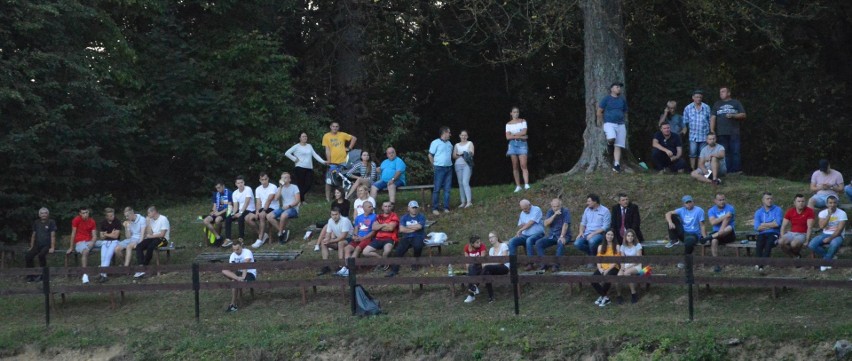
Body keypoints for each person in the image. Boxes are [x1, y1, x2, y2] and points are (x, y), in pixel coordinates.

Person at [710, 86, 746, 174]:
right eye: (720, 92)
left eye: (723, 91)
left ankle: (737, 170)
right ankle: (727, 171)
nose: (721, 93)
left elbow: (743, 115)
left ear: (728, 93)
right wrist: (712, 130)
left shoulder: (736, 103)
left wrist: (733, 115)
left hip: (734, 132)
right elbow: (713, 117)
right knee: (725, 152)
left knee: (735, 151)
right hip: (721, 132)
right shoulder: (717, 104)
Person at [386, 201, 426, 277]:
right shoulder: (404, 217)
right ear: (408, 208)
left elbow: (419, 227)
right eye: (412, 208)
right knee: (398, 251)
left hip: (418, 236)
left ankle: (415, 264)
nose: (414, 209)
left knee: (418, 246)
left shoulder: (421, 216)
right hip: (406, 237)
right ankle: (394, 270)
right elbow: (401, 229)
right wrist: (414, 228)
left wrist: (407, 227)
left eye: (415, 208)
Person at [664, 195, 707, 264]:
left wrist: (705, 237)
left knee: (689, 242)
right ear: (684, 204)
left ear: (693, 202)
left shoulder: (699, 210)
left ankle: (685, 260)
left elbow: (702, 225)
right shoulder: (681, 210)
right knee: (672, 216)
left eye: (690, 202)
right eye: (687, 203)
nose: (689, 204)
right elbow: (668, 213)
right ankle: (674, 239)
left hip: (694, 234)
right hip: (684, 233)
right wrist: (670, 222)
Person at [286, 132, 327, 203]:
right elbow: (287, 153)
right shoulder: (296, 146)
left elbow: (315, 155)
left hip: (309, 168)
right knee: (300, 185)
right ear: (299, 138)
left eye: (306, 136)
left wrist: (323, 161)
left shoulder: (309, 146)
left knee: (308, 184)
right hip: (299, 167)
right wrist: (294, 159)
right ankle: (302, 200)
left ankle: (297, 197)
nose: (305, 138)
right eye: (303, 136)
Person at [809, 195, 846, 271]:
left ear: (837, 203)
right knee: (812, 244)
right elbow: (822, 226)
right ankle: (830, 257)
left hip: (837, 235)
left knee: (834, 243)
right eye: (830, 203)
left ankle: (825, 262)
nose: (832, 205)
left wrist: (830, 238)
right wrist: (829, 215)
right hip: (825, 233)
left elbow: (839, 229)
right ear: (827, 204)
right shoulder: (823, 213)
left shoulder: (842, 213)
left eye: (834, 203)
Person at [597, 82, 628, 173]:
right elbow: (599, 111)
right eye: (617, 87)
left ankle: (617, 165)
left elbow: (625, 111)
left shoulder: (622, 100)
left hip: (621, 124)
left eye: (620, 87)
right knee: (611, 138)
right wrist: (601, 122)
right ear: (612, 89)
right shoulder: (606, 99)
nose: (619, 89)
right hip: (609, 123)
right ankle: (610, 145)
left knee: (618, 146)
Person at [533, 198, 571, 272]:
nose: (555, 208)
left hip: (564, 235)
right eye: (554, 206)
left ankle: (556, 265)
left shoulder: (566, 211)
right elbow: (546, 223)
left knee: (561, 243)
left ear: (561, 205)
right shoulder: (550, 211)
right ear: (551, 206)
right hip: (552, 236)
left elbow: (565, 225)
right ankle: (544, 263)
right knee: (538, 243)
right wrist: (554, 215)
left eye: (557, 206)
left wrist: (562, 236)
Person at [322, 122, 357, 202]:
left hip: (343, 162)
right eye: (333, 126)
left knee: (342, 179)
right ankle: (328, 199)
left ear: (338, 128)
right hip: (332, 162)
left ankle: (343, 198)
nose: (335, 128)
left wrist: (349, 148)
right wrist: (329, 161)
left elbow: (354, 138)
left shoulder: (342, 134)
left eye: (336, 126)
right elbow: (327, 149)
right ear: (330, 127)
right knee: (328, 180)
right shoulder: (326, 136)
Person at [506, 199, 545, 270]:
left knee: (529, 240)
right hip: (524, 235)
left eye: (526, 209)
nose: (524, 210)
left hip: (537, 233)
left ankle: (531, 263)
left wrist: (522, 228)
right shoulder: (522, 213)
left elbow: (531, 222)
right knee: (512, 241)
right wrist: (522, 226)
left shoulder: (536, 209)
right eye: (522, 209)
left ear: (530, 205)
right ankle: (513, 263)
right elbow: (520, 224)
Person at [341, 201, 377, 276]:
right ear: (364, 208)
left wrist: (363, 238)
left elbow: (373, 232)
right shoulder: (358, 218)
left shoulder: (375, 217)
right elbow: (356, 228)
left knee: (357, 248)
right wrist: (354, 235)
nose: (372, 208)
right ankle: (347, 267)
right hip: (358, 238)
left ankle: (350, 269)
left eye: (372, 206)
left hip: (368, 238)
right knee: (347, 248)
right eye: (369, 207)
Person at [133, 206, 170, 279]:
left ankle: (144, 266)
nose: (148, 215)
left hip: (163, 240)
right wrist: (148, 223)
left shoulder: (163, 219)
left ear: (154, 212)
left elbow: (162, 234)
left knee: (151, 247)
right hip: (154, 237)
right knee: (139, 246)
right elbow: (150, 233)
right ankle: (141, 266)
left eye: (149, 213)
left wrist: (150, 236)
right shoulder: (151, 220)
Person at [317, 207, 353, 276]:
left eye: (336, 214)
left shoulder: (345, 220)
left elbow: (344, 236)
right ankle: (326, 265)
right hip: (338, 238)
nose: (334, 216)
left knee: (340, 243)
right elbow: (328, 233)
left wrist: (330, 241)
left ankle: (341, 266)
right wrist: (327, 240)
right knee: (323, 242)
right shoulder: (330, 221)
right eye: (333, 215)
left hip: (349, 239)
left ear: (340, 214)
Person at [222, 239, 256, 312]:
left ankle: (233, 304)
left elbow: (245, 265)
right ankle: (238, 279)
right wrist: (237, 276)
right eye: (234, 250)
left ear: (241, 247)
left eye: (237, 249)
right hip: (238, 274)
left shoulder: (247, 252)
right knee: (224, 270)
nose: (235, 251)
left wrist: (243, 277)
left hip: (249, 273)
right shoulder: (232, 255)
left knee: (234, 281)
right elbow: (231, 268)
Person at [65, 207, 97, 284]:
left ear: (88, 212)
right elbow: (73, 234)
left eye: (86, 212)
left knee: (106, 244)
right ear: (80, 214)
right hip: (80, 242)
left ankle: (103, 273)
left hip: (90, 241)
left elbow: (95, 235)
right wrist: (71, 247)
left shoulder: (92, 221)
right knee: (85, 251)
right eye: (83, 213)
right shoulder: (76, 220)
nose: (85, 214)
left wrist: (92, 242)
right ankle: (85, 275)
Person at [574, 194, 611, 261]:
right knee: (577, 243)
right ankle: (592, 255)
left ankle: (592, 259)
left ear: (595, 201)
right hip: (586, 233)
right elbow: (583, 223)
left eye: (589, 201)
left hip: (599, 234)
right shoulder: (587, 210)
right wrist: (581, 232)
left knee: (592, 241)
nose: (587, 203)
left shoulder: (605, 211)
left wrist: (593, 234)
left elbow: (606, 227)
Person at [705, 193, 736, 271]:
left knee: (729, 227)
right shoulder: (711, 210)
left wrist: (721, 230)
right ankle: (716, 264)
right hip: (717, 235)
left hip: (728, 234)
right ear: (715, 201)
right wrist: (724, 216)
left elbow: (727, 219)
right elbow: (713, 222)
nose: (722, 202)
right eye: (720, 200)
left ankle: (713, 236)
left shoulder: (730, 208)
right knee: (714, 241)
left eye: (723, 199)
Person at [363, 201, 399, 269]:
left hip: (389, 238)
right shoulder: (379, 216)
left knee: (387, 251)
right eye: (385, 206)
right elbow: (374, 227)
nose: (387, 208)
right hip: (378, 239)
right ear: (382, 207)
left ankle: (383, 264)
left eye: (389, 206)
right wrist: (384, 225)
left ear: (391, 207)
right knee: (365, 252)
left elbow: (391, 228)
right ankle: (382, 261)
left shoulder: (394, 216)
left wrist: (379, 226)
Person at [267, 172, 300, 244]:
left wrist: (289, 206)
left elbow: (297, 200)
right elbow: (276, 198)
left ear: (289, 179)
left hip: (293, 208)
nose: (284, 179)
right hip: (284, 208)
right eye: (282, 178)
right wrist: (281, 187)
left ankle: (280, 235)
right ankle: (282, 232)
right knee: (269, 216)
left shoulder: (294, 187)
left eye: (285, 177)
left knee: (283, 215)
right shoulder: (280, 188)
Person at [224, 176, 257, 247]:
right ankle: (228, 239)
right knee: (228, 217)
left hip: (250, 209)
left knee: (241, 217)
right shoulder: (235, 193)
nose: (240, 184)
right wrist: (233, 213)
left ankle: (241, 239)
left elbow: (246, 202)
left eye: (241, 182)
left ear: (244, 182)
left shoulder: (248, 189)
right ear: (236, 184)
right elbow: (235, 206)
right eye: (238, 183)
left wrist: (240, 212)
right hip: (241, 210)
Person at [753, 192, 783, 272]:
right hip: (762, 233)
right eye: (767, 199)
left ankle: (761, 265)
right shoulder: (758, 212)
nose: (769, 200)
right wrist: (771, 224)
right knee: (759, 243)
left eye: (771, 199)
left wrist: (763, 224)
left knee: (769, 243)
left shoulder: (777, 209)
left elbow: (777, 223)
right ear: (763, 200)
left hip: (774, 233)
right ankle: (759, 264)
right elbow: (757, 227)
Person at [779, 194, 815, 258]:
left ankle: (795, 256)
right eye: (799, 201)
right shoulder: (790, 211)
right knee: (781, 242)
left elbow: (810, 227)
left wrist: (807, 240)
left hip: (802, 234)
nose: (801, 203)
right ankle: (795, 256)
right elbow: (783, 226)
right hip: (791, 233)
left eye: (802, 201)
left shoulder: (809, 211)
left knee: (794, 244)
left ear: (805, 202)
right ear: (794, 203)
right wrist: (782, 236)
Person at [683, 90, 711, 170]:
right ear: (693, 98)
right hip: (693, 135)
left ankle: (700, 169)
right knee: (692, 153)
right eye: (697, 97)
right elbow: (685, 121)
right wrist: (684, 130)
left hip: (704, 134)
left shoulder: (706, 107)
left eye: (700, 97)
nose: (698, 99)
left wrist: (711, 132)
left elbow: (710, 120)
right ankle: (692, 169)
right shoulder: (688, 108)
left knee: (702, 154)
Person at [25, 207, 56, 282]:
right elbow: (33, 235)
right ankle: (30, 276)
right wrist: (31, 246)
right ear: (39, 215)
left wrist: (52, 247)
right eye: (42, 213)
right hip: (37, 245)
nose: (43, 214)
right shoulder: (36, 222)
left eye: (45, 213)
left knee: (41, 255)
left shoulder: (51, 222)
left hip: (46, 245)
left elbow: (53, 235)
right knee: (28, 256)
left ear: (48, 214)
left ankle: (43, 275)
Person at [591, 230, 620, 307]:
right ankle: (605, 297)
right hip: (602, 268)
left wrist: (607, 270)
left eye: (611, 235)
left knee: (608, 277)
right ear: (605, 235)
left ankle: (602, 297)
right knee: (593, 280)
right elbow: (598, 260)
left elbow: (615, 261)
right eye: (608, 234)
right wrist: (600, 269)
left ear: (614, 237)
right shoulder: (600, 247)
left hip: (613, 267)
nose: (610, 236)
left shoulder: (617, 246)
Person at [429, 126, 454, 214]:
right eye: (449, 132)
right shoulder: (435, 142)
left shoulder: (450, 144)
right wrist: (433, 166)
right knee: (437, 188)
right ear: (444, 133)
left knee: (447, 189)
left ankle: (446, 207)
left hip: (449, 168)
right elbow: (430, 155)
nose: (450, 134)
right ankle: (435, 208)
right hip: (439, 168)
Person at [505, 106, 530, 192]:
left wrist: (514, 135)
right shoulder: (508, 124)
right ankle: (518, 185)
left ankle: (526, 184)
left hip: (522, 144)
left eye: (517, 112)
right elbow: (508, 137)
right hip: (512, 145)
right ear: (511, 113)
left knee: (523, 164)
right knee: (515, 166)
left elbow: (524, 132)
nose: (516, 113)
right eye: (514, 112)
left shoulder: (523, 121)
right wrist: (521, 136)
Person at [95, 208, 122, 283]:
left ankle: (103, 274)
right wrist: (110, 234)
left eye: (112, 215)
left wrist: (106, 234)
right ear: (106, 216)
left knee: (108, 256)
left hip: (115, 242)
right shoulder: (103, 223)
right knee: (103, 257)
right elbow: (101, 236)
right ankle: (103, 274)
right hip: (105, 242)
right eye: (109, 216)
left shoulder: (117, 222)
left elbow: (116, 236)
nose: (112, 217)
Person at [481, 232, 510, 303]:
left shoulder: (503, 245)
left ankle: (476, 284)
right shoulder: (491, 250)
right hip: (494, 268)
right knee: (487, 273)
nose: (490, 239)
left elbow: (503, 261)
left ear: (496, 237)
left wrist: (488, 264)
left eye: (492, 237)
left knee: (486, 267)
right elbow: (492, 263)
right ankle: (491, 297)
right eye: (489, 238)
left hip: (504, 267)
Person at [252, 172, 278, 249]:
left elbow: (269, 200)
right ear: (260, 180)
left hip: (273, 207)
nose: (264, 181)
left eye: (265, 179)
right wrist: (257, 211)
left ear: (268, 179)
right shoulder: (258, 189)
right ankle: (262, 237)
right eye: (262, 179)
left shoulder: (273, 186)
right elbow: (258, 202)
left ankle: (260, 239)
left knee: (262, 215)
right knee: (259, 215)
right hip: (263, 207)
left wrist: (263, 211)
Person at [616, 229, 643, 304]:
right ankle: (619, 295)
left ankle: (633, 294)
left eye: (632, 236)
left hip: (637, 265)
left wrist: (628, 267)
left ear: (634, 237)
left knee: (627, 273)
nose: (630, 237)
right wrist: (622, 267)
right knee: (618, 277)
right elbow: (622, 258)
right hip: (625, 265)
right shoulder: (623, 246)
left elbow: (638, 259)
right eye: (628, 236)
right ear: (625, 237)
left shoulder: (637, 245)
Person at [453, 130, 475, 208]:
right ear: (460, 136)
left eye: (465, 135)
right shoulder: (456, 145)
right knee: (460, 183)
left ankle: (469, 201)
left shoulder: (470, 143)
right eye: (462, 135)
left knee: (465, 182)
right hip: (458, 165)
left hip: (467, 165)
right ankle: (463, 202)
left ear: (467, 136)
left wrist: (462, 154)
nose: (464, 137)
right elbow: (454, 156)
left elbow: (471, 153)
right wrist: (461, 155)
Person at [463, 235, 487, 303]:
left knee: (472, 268)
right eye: (477, 242)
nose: (479, 243)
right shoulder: (466, 247)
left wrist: (483, 270)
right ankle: (474, 287)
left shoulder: (482, 246)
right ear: (472, 244)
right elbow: (467, 261)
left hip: (480, 266)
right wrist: (468, 270)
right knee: (470, 268)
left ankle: (471, 294)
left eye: (479, 241)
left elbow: (482, 260)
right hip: (471, 268)